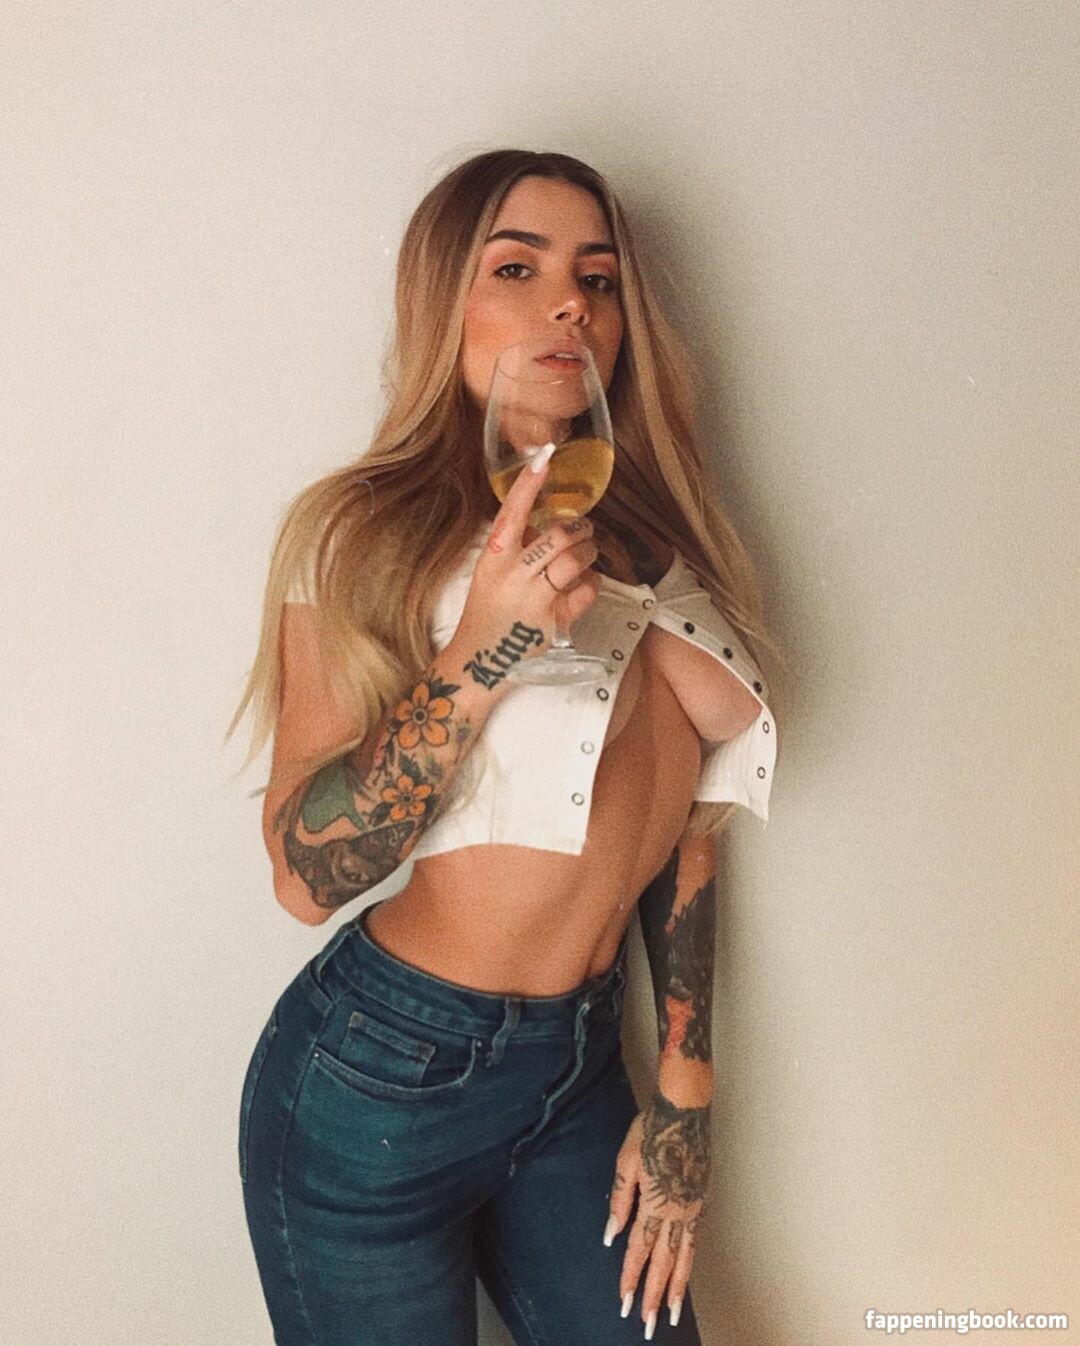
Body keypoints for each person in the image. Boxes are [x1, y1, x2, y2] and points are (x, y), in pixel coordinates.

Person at [226, 148, 782, 1345]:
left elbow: (684, 817)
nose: (569, 303)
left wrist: (685, 1083)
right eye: (517, 269)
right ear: (446, 303)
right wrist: (485, 646)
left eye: (598, 278)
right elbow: (303, 873)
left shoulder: (649, 535)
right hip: (378, 1076)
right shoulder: (360, 531)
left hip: (579, 1067)